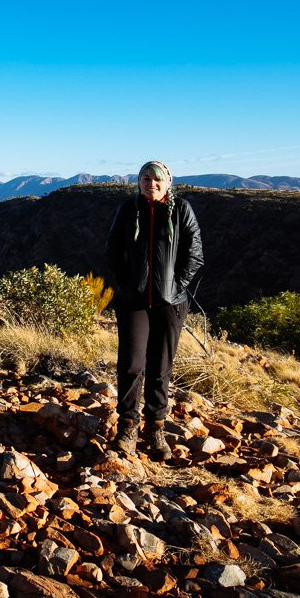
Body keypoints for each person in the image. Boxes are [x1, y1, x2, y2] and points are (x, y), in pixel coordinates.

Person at [105, 160, 203, 460]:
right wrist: (126, 283)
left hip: (170, 303)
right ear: (139, 182)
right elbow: (113, 249)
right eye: (146, 178)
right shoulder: (129, 209)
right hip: (133, 301)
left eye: (158, 179)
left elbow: (194, 254)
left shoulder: (181, 209)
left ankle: (155, 427)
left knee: (161, 367)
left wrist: (174, 286)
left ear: (168, 182)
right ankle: (127, 427)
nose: (152, 184)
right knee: (131, 364)